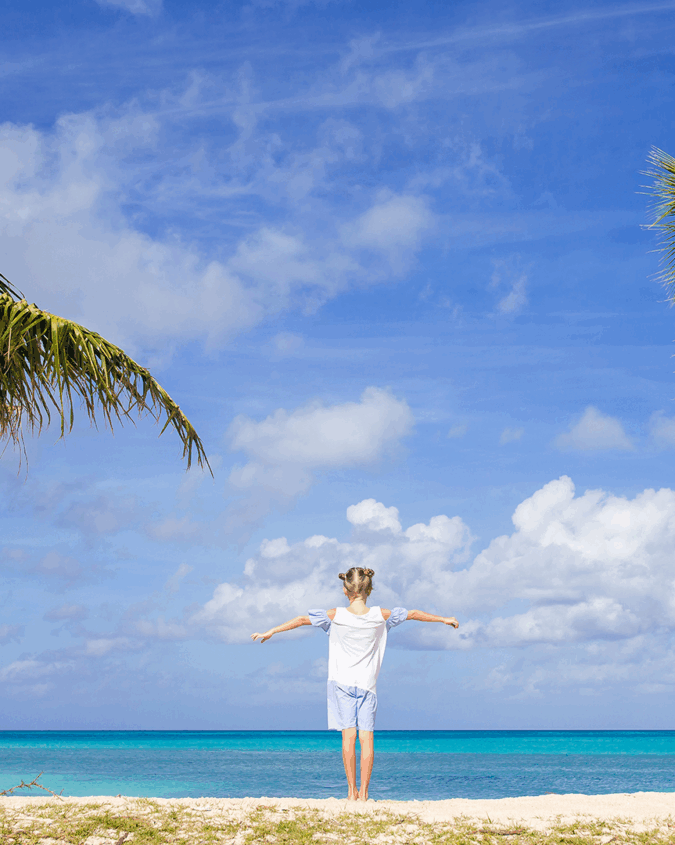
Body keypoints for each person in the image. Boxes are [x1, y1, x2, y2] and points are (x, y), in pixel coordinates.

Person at [250, 566, 459, 801]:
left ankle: (351, 793)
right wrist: (444, 619)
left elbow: (300, 620)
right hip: (368, 685)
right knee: (367, 739)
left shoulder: (335, 615)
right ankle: (365, 794)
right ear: (369, 589)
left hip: (341, 684)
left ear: (345, 590)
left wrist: (270, 632)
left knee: (348, 738)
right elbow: (413, 613)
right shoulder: (381, 615)